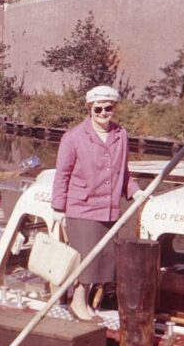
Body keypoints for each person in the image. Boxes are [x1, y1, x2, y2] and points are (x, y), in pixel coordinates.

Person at [51, 85, 143, 321]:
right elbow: (62, 174)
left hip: (109, 208)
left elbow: (123, 171)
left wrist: (136, 192)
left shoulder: (121, 135)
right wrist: (58, 208)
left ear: (115, 108)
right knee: (87, 259)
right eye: (98, 108)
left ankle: (86, 304)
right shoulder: (73, 137)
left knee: (104, 259)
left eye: (108, 108)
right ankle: (77, 303)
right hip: (82, 208)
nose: (103, 113)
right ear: (89, 109)